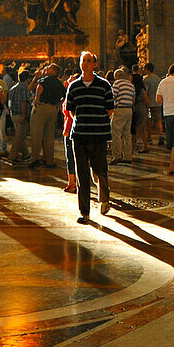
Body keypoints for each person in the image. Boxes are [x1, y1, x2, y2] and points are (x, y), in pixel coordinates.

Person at [65, 51, 114, 223]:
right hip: (79, 135)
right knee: (82, 173)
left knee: (100, 169)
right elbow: (70, 110)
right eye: (82, 61)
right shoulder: (74, 86)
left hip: (99, 134)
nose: (85, 63)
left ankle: (105, 199)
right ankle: (84, 211)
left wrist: (97, 122)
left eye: (88, 61)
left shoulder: (104, 85)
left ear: (94, 64)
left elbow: (110, 109)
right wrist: (82, 121)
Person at [29, 63, 65, 167]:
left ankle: (34, 159)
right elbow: (65, 94)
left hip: (42, 107)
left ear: (54, 70)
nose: (46, 69)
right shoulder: (59, 83)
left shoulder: (45, 79)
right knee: (49, 136)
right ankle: (49, 160)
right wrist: (58, 104)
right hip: (53, 109)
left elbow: (38, 87)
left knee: (37, 134)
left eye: (49, 68)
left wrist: (37, 99)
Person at [110, 67, 136, 163]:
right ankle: (128, 156)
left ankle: (117, 156)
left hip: (119, 109)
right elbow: (133, 99)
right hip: (129, 110)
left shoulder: (117, 83)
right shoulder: (131, 85)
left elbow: (113, 96)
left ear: (116, 76)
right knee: (127, 134)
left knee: (116, 133)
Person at [8, 69, 32, 163]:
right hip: (20, 114)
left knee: (20, 135)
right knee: (19, 137)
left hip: (13, 114)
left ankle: (26, 154)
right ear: (28, 79)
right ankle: (12, 156)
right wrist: (23, 115)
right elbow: (23, 102)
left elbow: (10, 101)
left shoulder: (13, 88)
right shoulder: (24, 88)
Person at [61, 73, 79, 193]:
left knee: (71, 156)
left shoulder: (72, 94)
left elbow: (69, 112)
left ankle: (72, 182)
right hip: (72, 126)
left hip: (70, 127)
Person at [130, 64, 150, 153]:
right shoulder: (141, 89)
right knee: (140, 129)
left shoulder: (131, 89)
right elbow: (146, 100)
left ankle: (133, 147)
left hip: (133, 108)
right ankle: (144, 145)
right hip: (141, 109)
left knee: (133, 129)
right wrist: (147, 109)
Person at [143, 62, 163, 146]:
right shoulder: (158, 78)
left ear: (147, 69)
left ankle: (149, 137)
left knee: (149, 121)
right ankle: (161, 135)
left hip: (149, 102)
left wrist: (146, 102)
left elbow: (145, 92)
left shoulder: (146, 79)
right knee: (158, 119)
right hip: (157, 103)